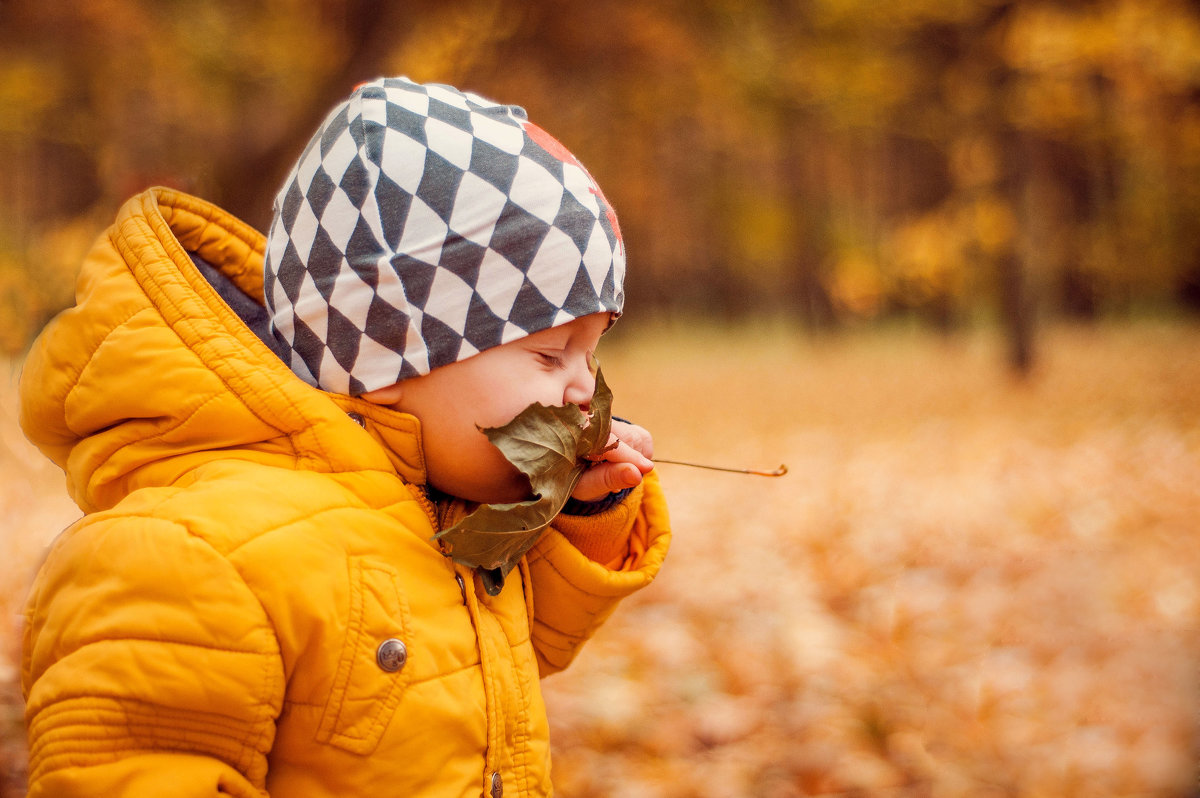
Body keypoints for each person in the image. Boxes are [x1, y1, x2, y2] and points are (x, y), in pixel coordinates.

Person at [18, 76, 670, 797]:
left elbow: (496, 657)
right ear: (387, 349)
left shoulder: (437, 506)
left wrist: (578, 515)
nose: (583, 388)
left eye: (592, 352)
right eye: (549, 354)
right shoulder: (191, 558)